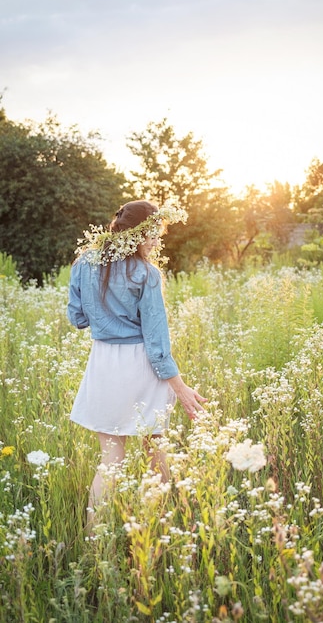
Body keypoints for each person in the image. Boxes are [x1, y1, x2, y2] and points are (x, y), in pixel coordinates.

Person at [67, 200, 207, 527]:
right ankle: (167, 532)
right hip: (141, 364)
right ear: (136, 234)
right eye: (153, 236)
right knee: (156, 452)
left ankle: (93, 548)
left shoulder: (84, 263)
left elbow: (77, 318)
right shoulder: (146, 273)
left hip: (103, 363)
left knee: (110, 462)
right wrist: (181, 387)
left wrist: (105, 317)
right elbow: (157, 344)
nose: (157, 243)